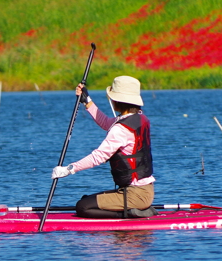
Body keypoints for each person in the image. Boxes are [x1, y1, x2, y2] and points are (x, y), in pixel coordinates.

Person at [50, 76, 156, 218]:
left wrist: (69, 169)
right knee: (85, 201)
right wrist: (87, 101)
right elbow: (106, 122)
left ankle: (132, 214)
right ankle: (134, 210)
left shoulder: (121, 129)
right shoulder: (140, 118)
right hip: (143, 191)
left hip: (135, 195)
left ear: (118, 101)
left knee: (82, 207)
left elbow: (98, 157)